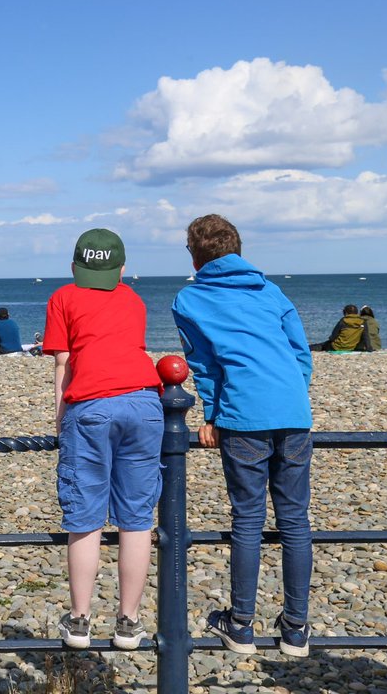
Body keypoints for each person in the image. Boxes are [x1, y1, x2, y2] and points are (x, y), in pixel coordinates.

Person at [171, 214, 313, 657]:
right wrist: (291, 396)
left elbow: (205, 367)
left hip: (242, 417)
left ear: (195, 254)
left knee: (248, 520)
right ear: (238, 249)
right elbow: (300, 354)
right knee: (295, 520)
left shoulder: (189, 299)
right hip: (292, 412)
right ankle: (296, 628)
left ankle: (241, 624)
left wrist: (211, 415)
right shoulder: (271, 291)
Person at [40, 228, 164, 651]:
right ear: (122, 268)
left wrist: (60, 419)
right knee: (137, 519)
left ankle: (79, 620)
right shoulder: (133, 299)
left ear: (74, 266)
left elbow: (63, 362)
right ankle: (128, 622)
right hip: (146, 402)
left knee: (86, 517)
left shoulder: (63, 297)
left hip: (92, 405)